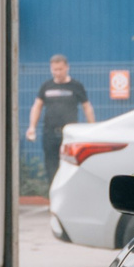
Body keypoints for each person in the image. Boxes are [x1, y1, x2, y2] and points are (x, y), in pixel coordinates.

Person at [27, 54, 97, 188]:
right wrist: (32, 127)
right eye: (54, 69)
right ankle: (53, 196)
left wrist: (92, 127)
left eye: (60, 69)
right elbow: (37, 106)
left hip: (69, 135)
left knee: (71, 166)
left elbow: (87, 107)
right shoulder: (46, 86)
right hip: (50, 134)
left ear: (67, 68)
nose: (57, 72)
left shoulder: (76, 86)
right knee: (51, 166)